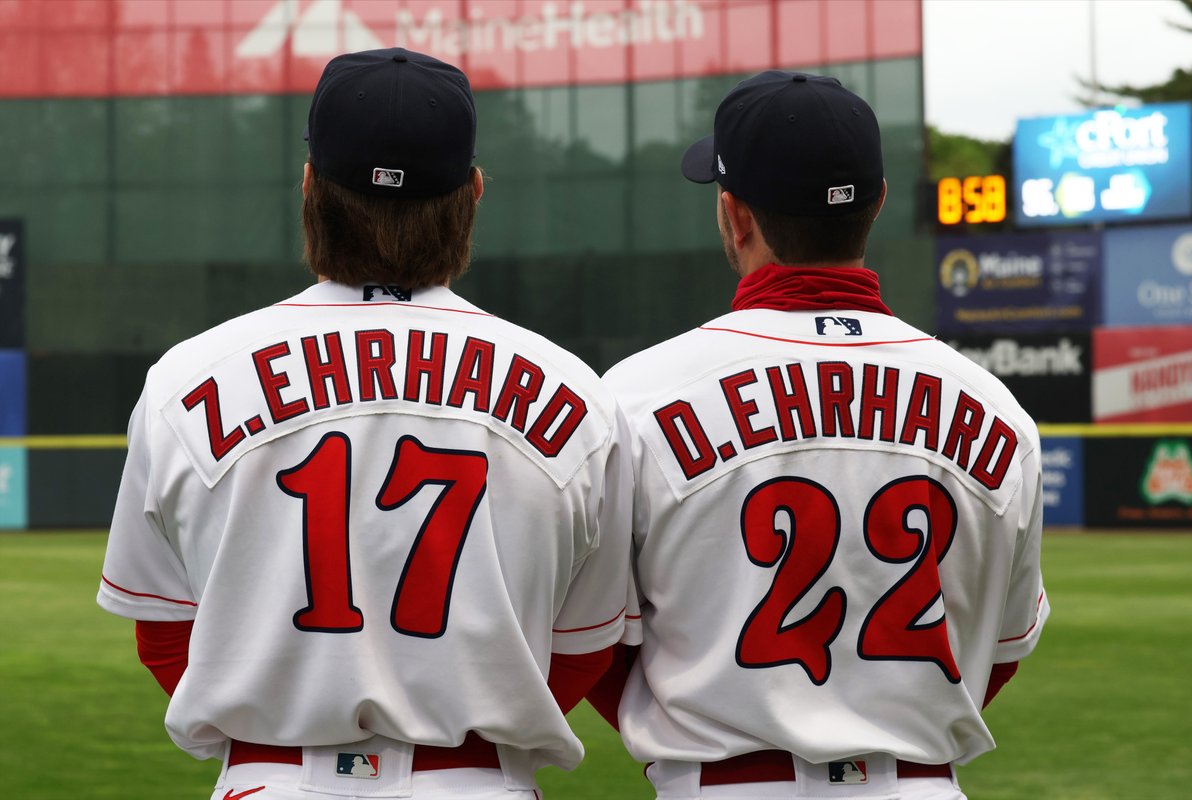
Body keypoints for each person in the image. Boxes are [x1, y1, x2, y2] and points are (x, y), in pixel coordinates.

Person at [97, 48, 633, 800]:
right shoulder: (578, 396)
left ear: (310, 185)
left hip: (268, 780)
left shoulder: (184, 379)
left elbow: (164, 638)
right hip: (478, 783)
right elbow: (583, 653)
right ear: (473, 193)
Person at [592, 71, 1049, 800]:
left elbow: (595, 643)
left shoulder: (634, 396)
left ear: (735, 215)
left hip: (722, 785)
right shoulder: (996, 409)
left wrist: (689, 729)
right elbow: (1000, 654)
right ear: (878, 205)